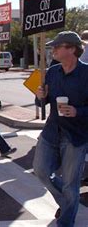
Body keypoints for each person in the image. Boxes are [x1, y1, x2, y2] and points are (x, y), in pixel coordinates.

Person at [33, 31, 88, 227]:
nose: (53, 49)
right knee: (40, 171)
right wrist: (41, 95)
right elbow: (40, 103)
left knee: (71, 184)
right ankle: (67, 204)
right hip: (51, 132)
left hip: (76, 137)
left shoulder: (87, 74)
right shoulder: (51, 72)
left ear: (72, 49)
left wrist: (77, 111)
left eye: (58, 46)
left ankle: (65, 222)